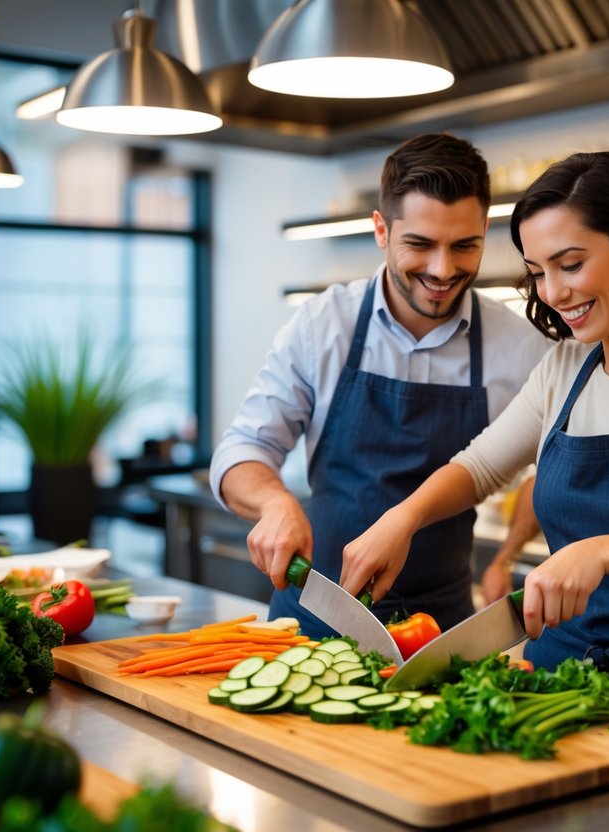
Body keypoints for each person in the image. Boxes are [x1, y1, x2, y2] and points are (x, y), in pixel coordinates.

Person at [341, 151, 609, 729]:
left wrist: (603, 550)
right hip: (561, 690)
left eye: (570, 264)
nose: (553, 292)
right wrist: (402, 518)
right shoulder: (565, 369)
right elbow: (480, 467)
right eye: (537, 272)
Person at [210, 133, 551, 637]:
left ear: (484, 229)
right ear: (381, 230)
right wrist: (275, 503)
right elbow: (242, 450)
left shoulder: (520, 346)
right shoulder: (322, 326)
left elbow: (555, 466)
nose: (442, 269)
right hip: (316, 614)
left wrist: (509, 551)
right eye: (419, 244)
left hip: (440, 629)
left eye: (464, 246)